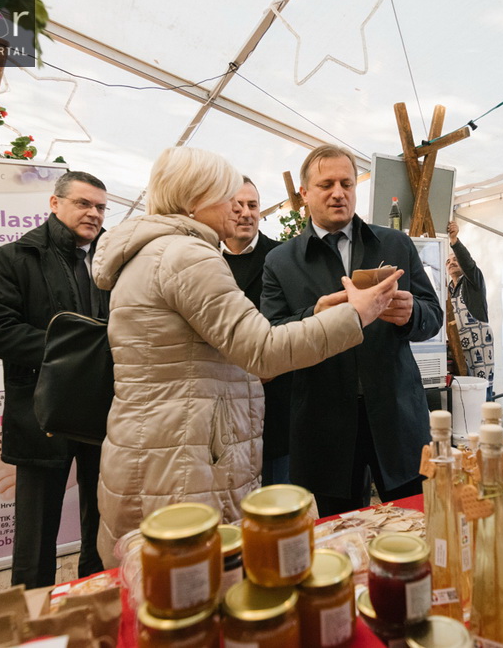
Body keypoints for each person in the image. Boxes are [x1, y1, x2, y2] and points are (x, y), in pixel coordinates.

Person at [91, 147, 402, 567]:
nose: (237, 207)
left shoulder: (152, 253)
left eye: (346, 184)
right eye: (227, 196)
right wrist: (357, 314)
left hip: (158, 442)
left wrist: (318, 315)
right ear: (196, 199)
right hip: (184, 453)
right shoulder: (187, 257)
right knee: (190, 586)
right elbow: (262, 351)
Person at [261, 145, 444, 516]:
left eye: (346, 183)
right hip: (323, 423)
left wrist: (411, 314)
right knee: (338, 534)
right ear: (304, 193)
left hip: (396, 414)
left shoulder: (394, 244)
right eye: (326, 184)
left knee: (415, 520)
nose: (338, 192)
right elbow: (270, 338)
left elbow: (433, 316)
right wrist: (314, 314)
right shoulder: (281, 261)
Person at [0, 171, 110, 588]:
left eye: (101, 207)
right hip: (41, 411)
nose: (93, 213)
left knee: (104, 525)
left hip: (104, 410)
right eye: (83, 203)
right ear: (55, 204)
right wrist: (73, 351)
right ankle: (35, 619)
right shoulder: (15, 257)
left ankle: (99, 604)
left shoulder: (113, 261)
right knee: (35, 536)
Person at [221, 176, 292, 485]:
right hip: (220, 404)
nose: (245, 213)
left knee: (277, 499)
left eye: (252, 205)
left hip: (274, 402)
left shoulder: (282, 257)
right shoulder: (203, 259)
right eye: (237, 205)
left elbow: (297, 321)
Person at [446, 220, 495, 399]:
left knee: (481, 391)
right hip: (459, 346)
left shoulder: (473, 281)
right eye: (448, 261)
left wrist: (454, 240)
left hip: (479, 346)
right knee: (465, 392)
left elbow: (468, 264)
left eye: (455, 259)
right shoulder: (448, 289)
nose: (452, 263)